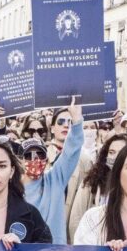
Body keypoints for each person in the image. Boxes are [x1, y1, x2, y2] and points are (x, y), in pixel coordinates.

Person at [24, 98, 84, 243]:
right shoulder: (11, 189)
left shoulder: (55, 179)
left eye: (40, 154)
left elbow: (70, 153)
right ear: (20, 160)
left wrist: (76, 123)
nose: (35, 160)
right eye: (29, 155)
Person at [67, 133, 127, 240]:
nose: (115, 157)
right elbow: (76, 219)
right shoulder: (92, 182)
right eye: (111, 152)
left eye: (121, 152)